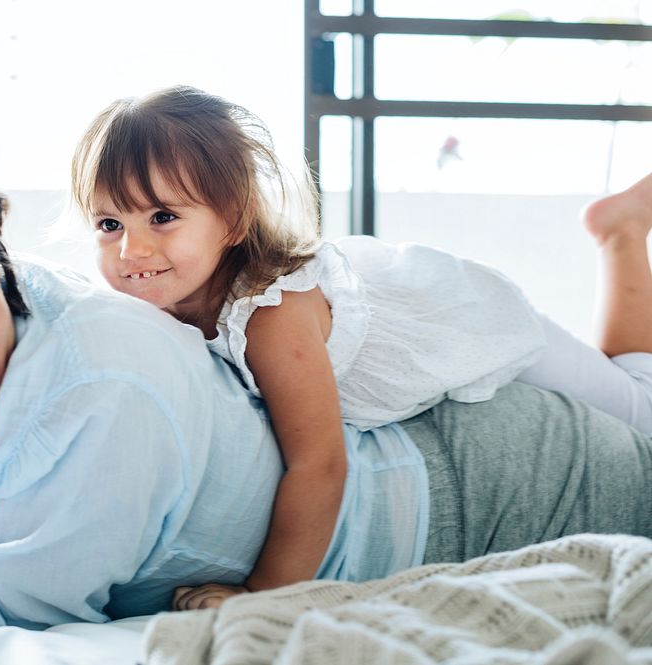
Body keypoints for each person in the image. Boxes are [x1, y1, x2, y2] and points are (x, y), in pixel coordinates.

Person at [0, 117, 652, 630]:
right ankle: (623, 246)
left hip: (510, 481)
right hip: (446, 458)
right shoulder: (38, 321)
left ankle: (621, 241)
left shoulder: (103, 386)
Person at [69, 85, 652, 609]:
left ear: (234, 218)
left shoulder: (270, 317)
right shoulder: (154, 299)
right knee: (621, 385)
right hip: (400, 311)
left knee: (639, 409)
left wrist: (263, 595)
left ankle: (621, 231)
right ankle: (619, 233)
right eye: (109, 224)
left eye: (163, 216)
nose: (131, 250)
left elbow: (319, 464)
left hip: (459, 319)